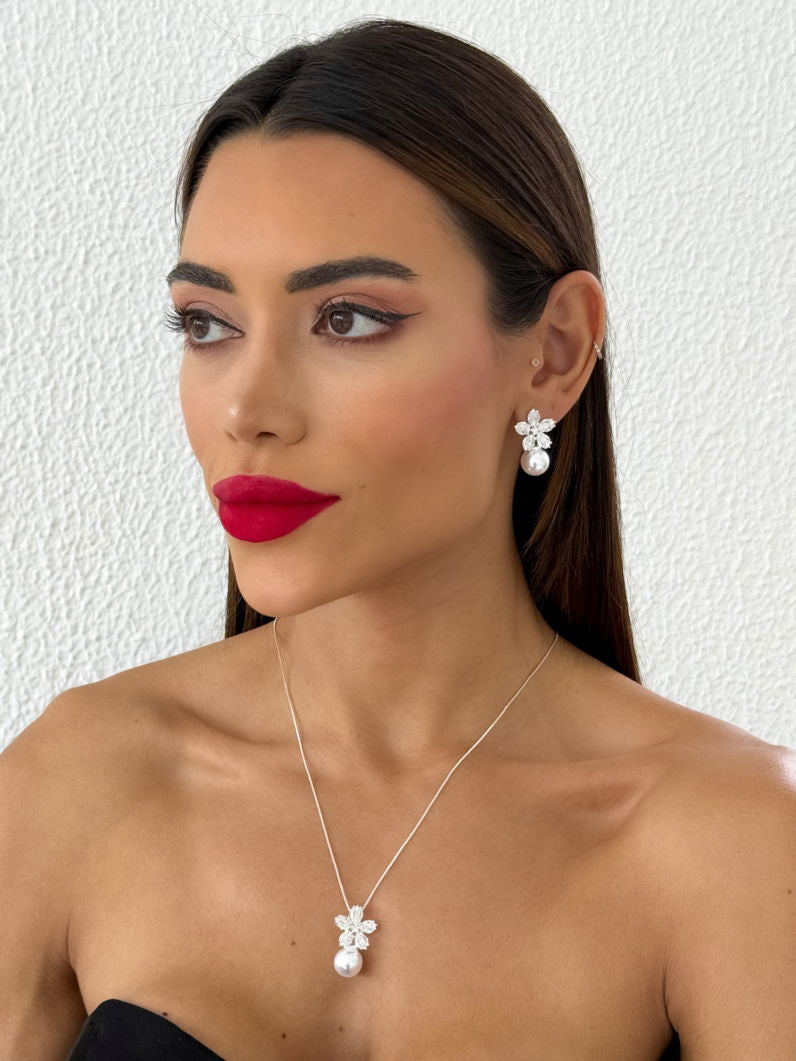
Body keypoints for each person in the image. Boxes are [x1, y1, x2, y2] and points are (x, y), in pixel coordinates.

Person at [2, 16, 793, 1060]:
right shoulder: (73, 782)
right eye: (207, 323)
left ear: (554, 353)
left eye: (348, 319)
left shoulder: (734, 843)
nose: (248, 409)